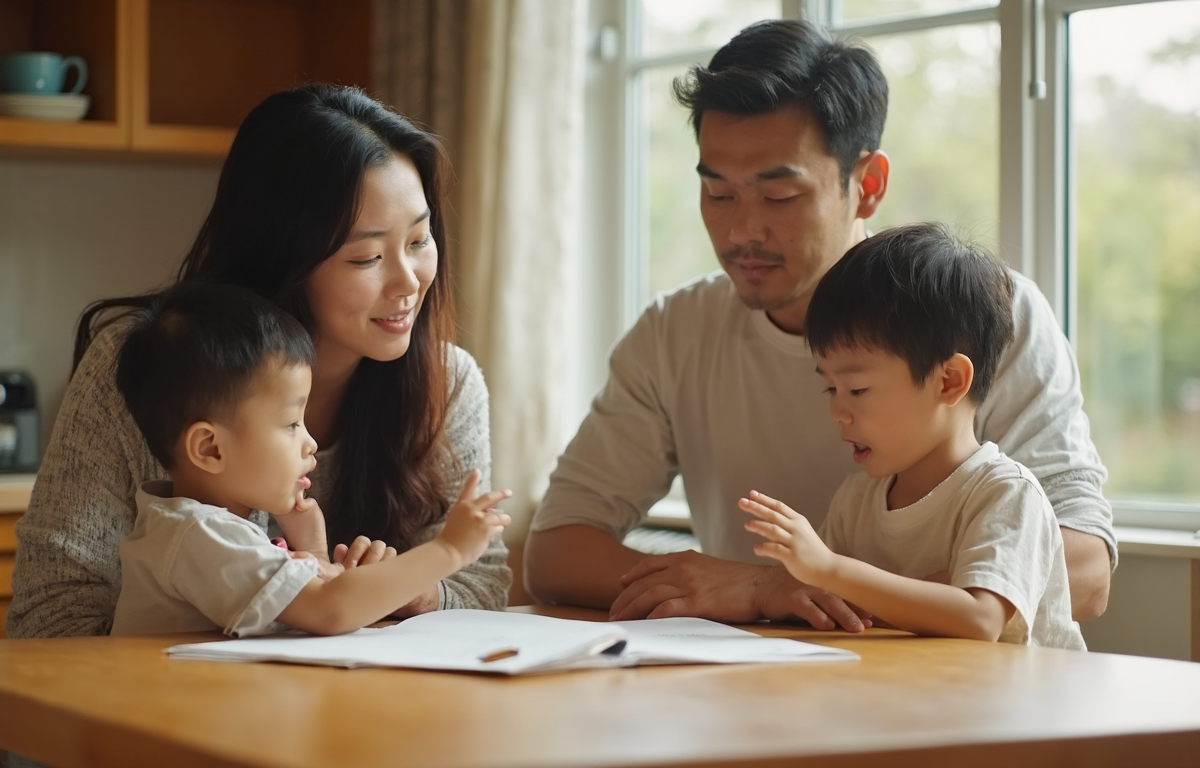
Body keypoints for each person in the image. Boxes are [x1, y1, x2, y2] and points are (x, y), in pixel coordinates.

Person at [525, 19, 1114, 627]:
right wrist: (755, 589)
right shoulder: (676, 331)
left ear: (868, 185)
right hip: (756, 685)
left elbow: (1086, 571)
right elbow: (556, 552)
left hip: (959, 698)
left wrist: (776, 587)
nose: (741, 232)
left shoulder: (986, 310)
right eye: (719, 194)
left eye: (779, 197)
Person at [8, 84, 511, 639]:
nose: (410, 281)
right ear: (284, 261)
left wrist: (418, 591)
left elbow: (483, 585)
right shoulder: (154, 368)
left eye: (420, 240)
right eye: (367, 256)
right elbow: (49, 619)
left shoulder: (449, 383)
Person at [741, 223, 1085, 649]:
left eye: (857, 390)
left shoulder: (1005, 494)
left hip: (1017, 711)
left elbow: (979, 619)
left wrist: (828, 568)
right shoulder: (856, 501)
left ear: (949, 381)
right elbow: (838, 608)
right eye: (831, 388)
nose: (837, 411)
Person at [110, 282, 510, 636]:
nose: (310, 442)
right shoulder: (199, 536)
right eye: (290, 424)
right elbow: (329, 611)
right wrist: (449, 551)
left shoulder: (208, 525)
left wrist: (315, 554)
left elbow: (302, 612)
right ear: (210, 448)